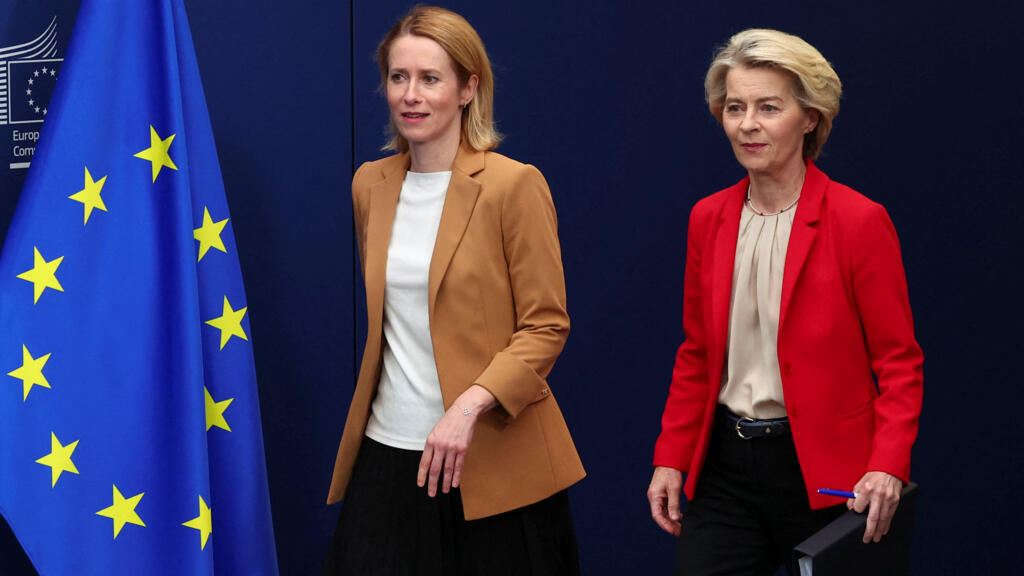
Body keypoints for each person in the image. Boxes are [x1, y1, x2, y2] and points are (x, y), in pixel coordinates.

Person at [647, 29, 923, 575]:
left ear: (810, 117)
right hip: (726, 469)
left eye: (768, 108)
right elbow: (697, 354)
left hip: (830, 476)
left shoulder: (859, 221)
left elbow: (899, 363)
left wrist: (888, 465)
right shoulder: (708, 218)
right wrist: (671, 458)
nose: (747, 124)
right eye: (735, 108)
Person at [323, 6, 584, 575]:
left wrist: (468, 406)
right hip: (387, 451)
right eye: (399, 77)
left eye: (430, 78)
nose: (411, 95)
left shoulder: (513, 185)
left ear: (468, 88)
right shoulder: (370, 184)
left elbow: (546, 326)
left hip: (491, 458)